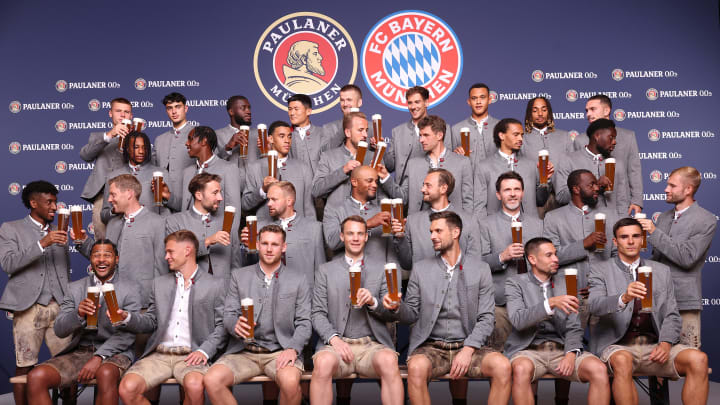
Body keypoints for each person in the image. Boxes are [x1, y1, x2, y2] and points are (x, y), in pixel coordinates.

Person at [385, 211, 511, 405]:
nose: (432, 236)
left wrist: (468, 349)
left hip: (469, 345)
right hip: (431, 347)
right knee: (416, 368)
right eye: (431, 231)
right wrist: (396, 307)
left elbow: (487, 318)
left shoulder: (480, 269)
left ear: (455, 233)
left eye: (438, 231)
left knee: (502, 366)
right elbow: (410, 314)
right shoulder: (420, 269)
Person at [588, 218, 709, 405]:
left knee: (698, 359)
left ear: (643, 239)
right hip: (619, 346)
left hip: (655, 347)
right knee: (622, 360)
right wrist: (624, 297)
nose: (630, 241)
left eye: (636, 236)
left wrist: (666, 342)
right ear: (615, 241)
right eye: (624, 237)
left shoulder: (661, 271)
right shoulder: (600, 269)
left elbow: (671, 314)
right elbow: (594, 305)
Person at [203, 225, 311, 405]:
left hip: (280, 351)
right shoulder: (239, 276)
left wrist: (293, 348)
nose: (269, 249)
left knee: (291, 383)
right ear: (258, 245)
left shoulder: (298, 280)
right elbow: (228, 314)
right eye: (265, 243)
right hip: (243, 352)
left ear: (283, 247)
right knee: (211, 380)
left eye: (275, 244)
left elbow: (305, 322)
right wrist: (234, 324)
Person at [26, 240, 142, 405]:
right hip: (81, 352)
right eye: (96, 255)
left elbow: (128, 334)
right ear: (90, 259)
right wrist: (78, 314)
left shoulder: (130, 289)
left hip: (115, 353)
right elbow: (59, 329)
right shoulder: (75, 288)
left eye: (107, 255)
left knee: (106, 373)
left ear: (116, 259)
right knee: (36, 377)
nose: (101, 259)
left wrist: (98, 357)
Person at [118, 230, 227, 405]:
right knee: (127, 388)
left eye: (170, 252)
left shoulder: (215, 284)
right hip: (159, 354)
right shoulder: (159, 283)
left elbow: (222, 326)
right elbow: (151, 321)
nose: (166, 256)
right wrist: (127, 317)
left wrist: (204, 351)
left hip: (192, 354)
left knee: (195, 386)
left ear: (188, 251)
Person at [311, 216, 403, 405]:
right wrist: (334, 340)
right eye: (350, 233)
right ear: (342, 237)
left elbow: (391, 313)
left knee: (389, 361)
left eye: (360, 233)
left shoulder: (381, 269)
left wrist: (373, 302)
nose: (355, 238)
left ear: (366, 237)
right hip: (337, 345)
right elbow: (317, 313)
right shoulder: (325, 271)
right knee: (322, 363)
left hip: (371, 345)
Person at [506, 237, 610, 405]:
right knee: (520, 369)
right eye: (549, 255)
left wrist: (570, 354)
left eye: (555, 254)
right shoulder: (516, 283)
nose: (556, 259)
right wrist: (551, 303)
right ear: (532, 259)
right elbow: (518, 320)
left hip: (562, 348)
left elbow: (575, 325)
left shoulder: (566, 282)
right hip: (529, 350)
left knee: (598, 369)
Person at [0, 181, 73, 405]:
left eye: (55, 201)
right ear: (33, 203)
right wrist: (42, 243)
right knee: (25, 363)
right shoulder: (10, 228)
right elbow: (8, 263)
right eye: (48, 202)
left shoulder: (58, 229)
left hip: (59, 307)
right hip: (28, 307)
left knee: (68, 365)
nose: (54, 206)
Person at [636, 167, 717, 348]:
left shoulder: (707, 220)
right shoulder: (664, 218)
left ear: (688, 189)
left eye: (672, 185)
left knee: (689, 361)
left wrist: (654, 232)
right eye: (667, 184)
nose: (666, 189)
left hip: (684, 302)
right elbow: (657, 260)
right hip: (657, 302)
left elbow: (687, 258)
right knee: (655, 363)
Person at [77, 174, 167, 309]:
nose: (109, 199)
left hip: (143, 305)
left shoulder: (158, 223)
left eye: (113, 195)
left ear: (129, 194)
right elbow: (105, 258)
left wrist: (157, 306)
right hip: (112, 303)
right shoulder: (112, 224)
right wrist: (83, 241)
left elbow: (162, 268)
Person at [543, 170, 619, 327]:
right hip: (570, 296)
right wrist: (583, 244)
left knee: (604, 344)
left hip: (605, 294)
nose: (597, 188)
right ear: (576, 189)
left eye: (596, 184)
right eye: (591, 185)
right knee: (572, 344)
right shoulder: (553, 217)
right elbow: (551, 258)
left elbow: (617, 255)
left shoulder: (610, 215)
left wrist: (602, 283)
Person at [478, 171, 544, 351]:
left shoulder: (538, 224)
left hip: (532, 301)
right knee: (500, 360)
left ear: (523, 193)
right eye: (507, 190)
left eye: (517, 189)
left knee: (530, 361)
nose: (513, 194)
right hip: (501, 304)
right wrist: (502, 256)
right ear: (499, 195)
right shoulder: (485, 224)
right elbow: (479, 263)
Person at [380, 115, 473, 214]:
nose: (421, 140)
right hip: (419, 226)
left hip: (452, 225)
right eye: (420, 135)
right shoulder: (413, 165)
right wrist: (386, 178)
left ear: (439, 135)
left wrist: (464, 226)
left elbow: (468, 202)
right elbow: (403, 197)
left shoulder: (462, 162)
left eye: (426, 135)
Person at [391, 168, 481, 270]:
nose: (422, 189)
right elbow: (406, 265)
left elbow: (475, 264)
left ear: (443, 188)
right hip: (423, 285)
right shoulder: (412, 222)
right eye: (423, 185)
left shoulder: (469, 221)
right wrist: (400, 237)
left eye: (428, 185)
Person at [242, 181, 325, 286]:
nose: (269, 204)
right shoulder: (259, 228)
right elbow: (250, 267)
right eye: (268, 199)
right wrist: (248, 248)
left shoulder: (314, 228)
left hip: (304, 296)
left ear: (289, 201)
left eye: (274, 199)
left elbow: (320, 270)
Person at [576, 95, 643, 216]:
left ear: (607, 110)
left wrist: (637, 201)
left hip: (621, 204)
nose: (588, 114)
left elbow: (634, 171)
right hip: (591, 205)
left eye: (593, 109)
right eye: (586, 111)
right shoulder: (580, 140)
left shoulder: (628, 136)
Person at [165, 173, 241, 278]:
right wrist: (207, 241)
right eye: (215, 193)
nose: (220, 198)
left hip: (224, 289)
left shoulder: (228, 221)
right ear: (199, 195)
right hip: (191, 290)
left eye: (220, 192)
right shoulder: (175, 221)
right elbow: (175, 257)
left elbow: (236, 263)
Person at [474, 118, 551, 218]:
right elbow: (479, 207)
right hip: (497, 228)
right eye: (516, 135)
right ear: (501, 135)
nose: (520, 139)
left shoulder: (531, 165)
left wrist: (546, 180)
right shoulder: (484, 167)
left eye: (522, 135)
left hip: (529, 227)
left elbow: (541, 201)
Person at [79, 97, 133, 239]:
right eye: (118, 111)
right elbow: (85, 155)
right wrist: (110, 134)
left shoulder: (137, 140)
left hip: (129, 195)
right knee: (102, 239)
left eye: (126, 112)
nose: (122, 115)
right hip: (103, 196)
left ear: (131, 116)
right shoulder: (99, 137)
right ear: (110, 113)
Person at [164, 126, 243, 221]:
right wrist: (168, 195)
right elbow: (186, 206)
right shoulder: (187, 172)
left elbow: (234, 211)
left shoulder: (228, 169)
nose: (186, 143)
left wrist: (228, 235)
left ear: (204, 141)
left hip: (216, 234)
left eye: (190, 139)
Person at [555, 119, 631, 216]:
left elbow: (622, 201)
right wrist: (594, 186)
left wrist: (621, 226)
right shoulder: (569, 160)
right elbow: (561, 197)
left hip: (612, 225)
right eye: (611, 137)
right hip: (581, 224)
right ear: (597, 136)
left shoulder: (617, 164)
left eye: (615, 138)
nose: (615, 142)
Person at [243, 120, 314, 221]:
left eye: (289, 136)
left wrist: (311, 231)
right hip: (266, 231)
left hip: (297, 231)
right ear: (270, 139)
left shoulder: (303, 168)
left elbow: (309, 207)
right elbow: (245, 204)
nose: (287, 140)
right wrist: (262, 190)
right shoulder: (254, 167)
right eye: (282, 136)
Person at [313, 111, 382, 207]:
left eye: (366, 130)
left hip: (366, 219)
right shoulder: (328, 156)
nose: (365, 135)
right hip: (337, 220)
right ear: (348, 132)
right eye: (360, 130)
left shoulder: (373, 157)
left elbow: (381, 195)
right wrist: (343, 170)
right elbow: (316, 190)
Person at [323, 166, 392, 260]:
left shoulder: (384, 211)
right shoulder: (334, 210)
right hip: (346, 272)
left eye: (376, 181)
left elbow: (393, 252)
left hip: (378, 272)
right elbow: (332, 242)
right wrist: (368, 224)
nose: (375, 185)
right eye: (369, 181)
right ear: (354, 182)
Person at [101, 131, 171, 223]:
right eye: (136, 147)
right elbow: (104, 216)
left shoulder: (161, 173)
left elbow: (170, 211)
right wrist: (115, 209)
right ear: (127, 149)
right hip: (123, 233)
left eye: (144, 147)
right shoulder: (113, 176)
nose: (141, 151)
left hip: (151, 231)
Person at [384, 86, 449, 177]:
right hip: (403, 189)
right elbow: (389, 166)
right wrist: (379, 149)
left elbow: (448, 160)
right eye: (410, 103)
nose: (413, 107)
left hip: (433, 186)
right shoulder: (397, 132)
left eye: (417, 102)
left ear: (426, 103)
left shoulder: (442, 128)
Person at [152, 92, 195, 210]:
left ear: (186, 108)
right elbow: (153, 168)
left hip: (189, 202)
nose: (174, 111)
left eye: (178, 107)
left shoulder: (197, 134)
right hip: (162, 205)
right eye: (169, 108)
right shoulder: (159, 139)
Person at [449, 83, 500, 169]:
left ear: (489, 100)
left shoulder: (501, 126)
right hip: (468, 180)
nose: (478, 102)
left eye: (482, 97)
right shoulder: (456, 129)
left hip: (496, 179)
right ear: (469, 102)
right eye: (474, 98)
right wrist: (455, 155)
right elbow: (450, 161)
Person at [286, 94, 329, 176]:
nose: (292, 113)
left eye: (296, 109)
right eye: (290, 109)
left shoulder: (322, 133)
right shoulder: (285, 135)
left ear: (308, 111)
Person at [321, 84, 374, 149]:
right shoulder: (329, 128)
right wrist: (346, 126)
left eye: (349, 100)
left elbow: (381, 158)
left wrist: (375, 148)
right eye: (342, 100)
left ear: (359, 102)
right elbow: (325, 152)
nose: (345, 104)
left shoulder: (372, 128)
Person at [215, 95, 260, 166]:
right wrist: (228, 147)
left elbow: (266, 162)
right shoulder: (217, 135)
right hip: (229, 177)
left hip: (254, 177)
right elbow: (213, 164)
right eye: (243, 108)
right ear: (231, 112)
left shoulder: (258, 134)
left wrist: (268, 150)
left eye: (249, 108)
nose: (248, 111)